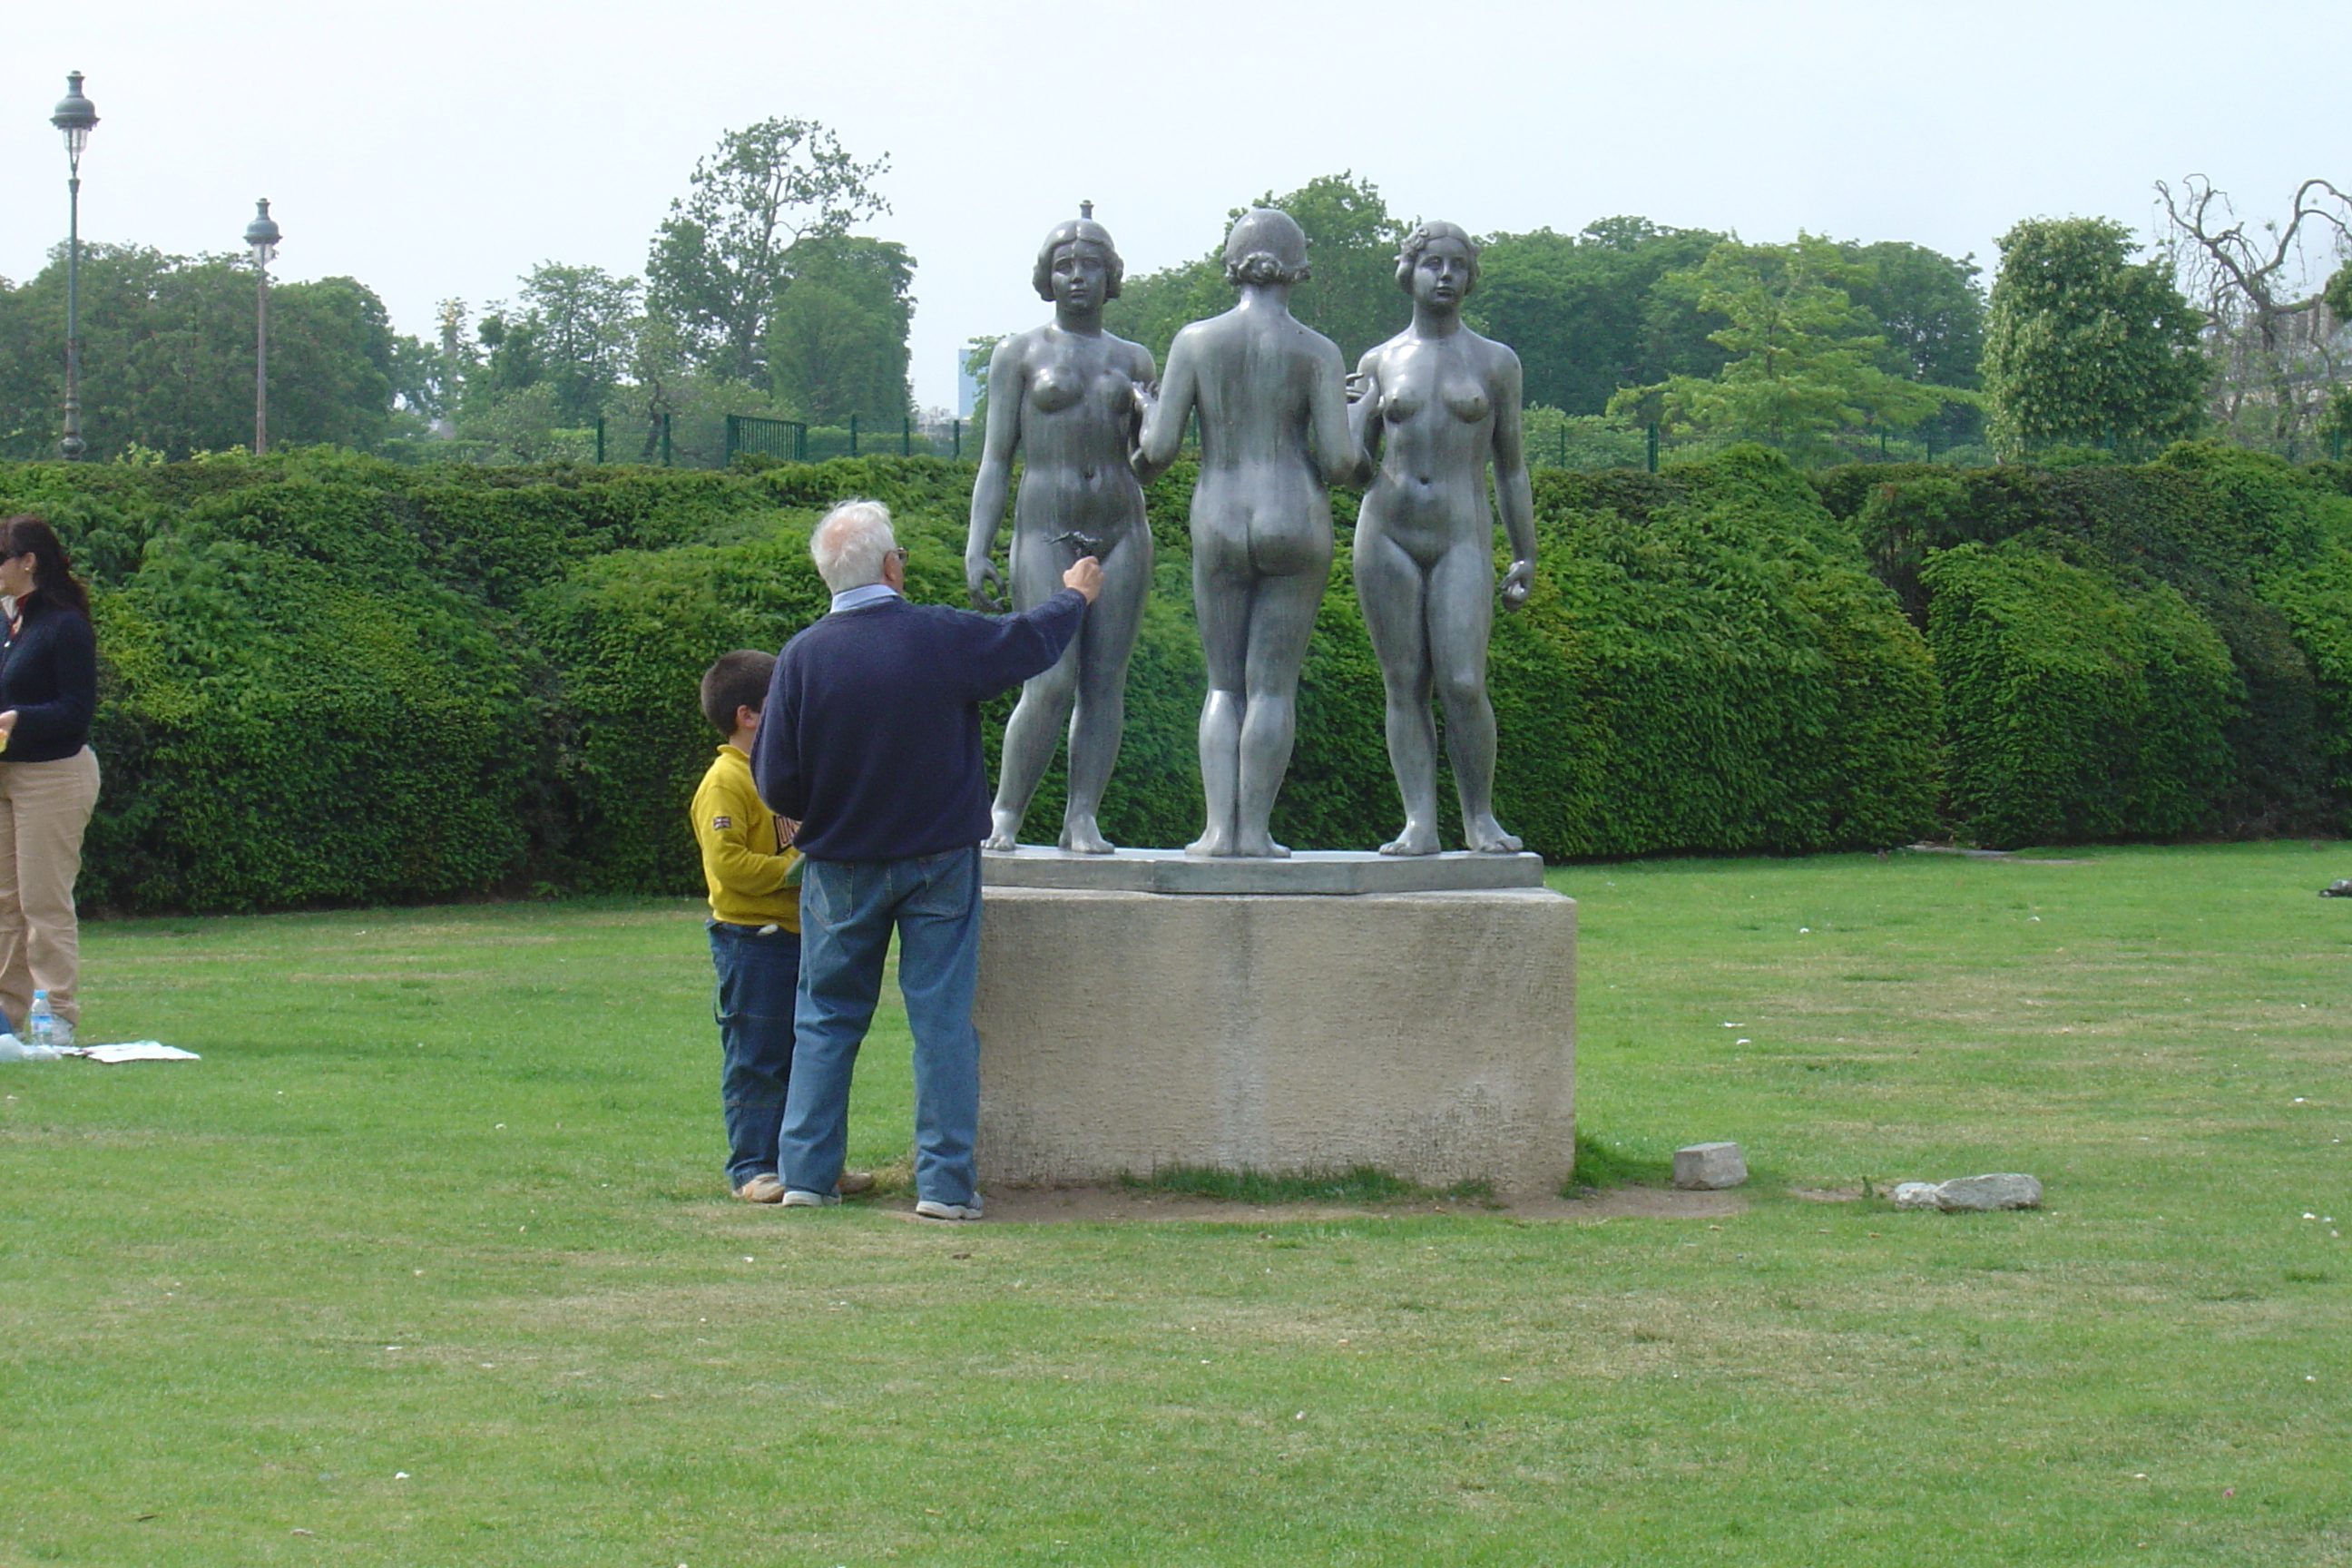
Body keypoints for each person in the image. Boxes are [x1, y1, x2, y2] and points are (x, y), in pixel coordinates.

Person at [753, 500, 1102, 1220]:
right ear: (891, 565)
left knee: (824, 1019)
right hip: (938, 861)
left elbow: (775, 783)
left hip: (840, 866)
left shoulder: (801, 657)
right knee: (940, 1021)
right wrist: (1076, 594)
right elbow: (1026, 643)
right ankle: (943, 1186)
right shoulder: (936, 636)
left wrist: (822, 810)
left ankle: (807, 1176)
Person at [1134, 207, 1367, 858]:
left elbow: (1155, 454)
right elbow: (1344, 463)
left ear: (1231, 266)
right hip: (1296, 516)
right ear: (1299, 268)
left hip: (1219, 515)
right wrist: (1366, 410)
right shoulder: (1317, 350)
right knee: (1271, 687)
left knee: (1222, 684)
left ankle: (1217, 832)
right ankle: (1256, 833)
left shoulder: (1195, 342)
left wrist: (1141, 404)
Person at [965, 211, 1157, 854]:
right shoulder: (1017, 354)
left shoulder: (1134, 359)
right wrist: (977, 545)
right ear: (1047, 277)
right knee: (1048, 680)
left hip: (1122, 528)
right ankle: (1006, 813)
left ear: (1111, 277)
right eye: (1065, 266)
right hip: (1045, 529)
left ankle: (1082, 818)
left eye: (1091, 265)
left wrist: (1147, 416)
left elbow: (1151, 462)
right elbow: (996, 459)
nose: (1078, 277)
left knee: (1104, 682)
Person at [1348, 220, 1537, 855]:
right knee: (1403, 682)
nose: (1446, 275)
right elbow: (1349, 469)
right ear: (1409, 271)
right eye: (1433, 262)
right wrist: (1356, 414)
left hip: (1461, 533)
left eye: (1458, 264)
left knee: (1461, 681)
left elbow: (1510, 466)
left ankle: (1478, 817)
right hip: (1387, 530)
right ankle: (1419, 822)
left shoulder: (1496, 361)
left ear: (1471, 276)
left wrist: (1525, 552)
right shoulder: (1378, 360)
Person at [689, 651, 873, 1204]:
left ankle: (812, 1162)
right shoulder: (726, 782)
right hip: (752, 943)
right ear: (748, 716)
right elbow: (729, 869)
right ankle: (752, 1167)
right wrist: (797, 871)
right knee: (759, 1057)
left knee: (810, 1053)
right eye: (782, 704)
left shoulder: (781, 775)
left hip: (804, 936)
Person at [0, 515, 100, 1046]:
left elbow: (75, 710)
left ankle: (57, 1014)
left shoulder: (63, 624)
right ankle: (6, 1018)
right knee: (5, 904)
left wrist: (19, 720)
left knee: (43, 901)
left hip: (54, 776)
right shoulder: (6, 623)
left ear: (27, 561)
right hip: (6, 778)